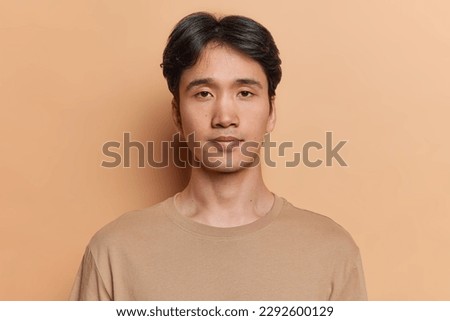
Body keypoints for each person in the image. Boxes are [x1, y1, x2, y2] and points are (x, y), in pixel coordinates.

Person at [69, 12, 367, 301]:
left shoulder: (331, 251)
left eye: (245, 93)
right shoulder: (114, 251)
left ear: (271, 112)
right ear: (177, 114)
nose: (225, 117)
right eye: (204, 94)